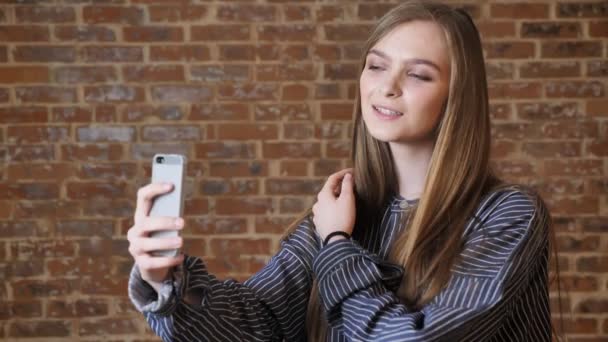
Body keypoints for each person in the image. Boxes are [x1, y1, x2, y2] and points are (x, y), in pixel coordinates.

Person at [127, 1, 555, 341]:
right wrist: (167, 281)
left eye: (419, 75)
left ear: (457, 96)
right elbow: (258, 322)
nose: (388, 86)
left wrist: (336, 243)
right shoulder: (344, 203)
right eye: (376, 65)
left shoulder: (508, 214)